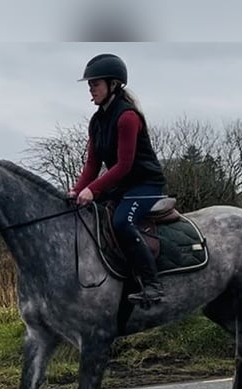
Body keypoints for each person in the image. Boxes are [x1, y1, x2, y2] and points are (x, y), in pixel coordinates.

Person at [67, 53, 168, 305]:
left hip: (146, 184)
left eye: (95, 84)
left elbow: (124, 165)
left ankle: (153, 285)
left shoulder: (127, 117)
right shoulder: (97, 121)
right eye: (90, 85)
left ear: (113, 84)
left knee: (122, 222)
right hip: (122, 185)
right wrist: (77, 190)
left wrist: (93, 189)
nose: (91, 89)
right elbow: (92, 164)